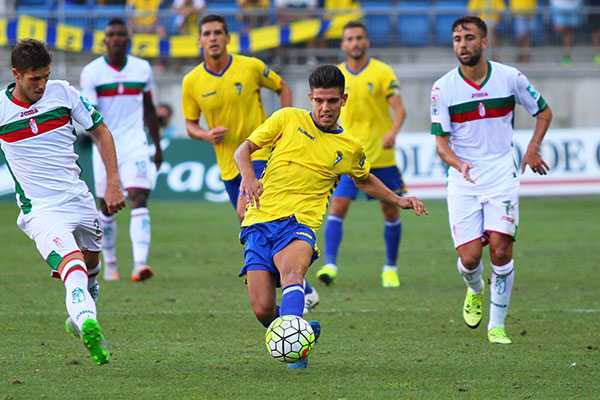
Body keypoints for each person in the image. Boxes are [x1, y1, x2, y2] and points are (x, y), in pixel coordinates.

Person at [234, 65, 428, 368]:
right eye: (319, 100)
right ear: (311, 98)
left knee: (292, 275)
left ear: (344, 100)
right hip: (259, 220)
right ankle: (303, 334)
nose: (325, 108)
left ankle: (295, 350)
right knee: (262, 310)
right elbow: (243, 149)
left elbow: (364, 180)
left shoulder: (349, 147)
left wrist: (398, 199)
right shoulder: (286, 118)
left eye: (332, 101)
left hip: (299, 223)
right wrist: (248, 178)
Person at [0, 39, 126, 364]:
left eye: (45, 76)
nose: (42, 85)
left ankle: (77, 317)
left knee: (91, 268)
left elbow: (102, 132)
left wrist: (113, 183)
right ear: (16, 74)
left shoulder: (63, 92)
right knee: (73, 268)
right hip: (41, 210)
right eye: (34, 79)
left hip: (79, 199)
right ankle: (88, 322)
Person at [182, 14, 319, 313]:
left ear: (228, 37)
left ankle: (292, 283)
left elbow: (282, 87)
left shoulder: (251, 67)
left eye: (219, 32)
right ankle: (299, 285)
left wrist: (285, 127)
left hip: (260, 157)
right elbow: (190, 124)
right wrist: (206, 134)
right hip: (228, 165)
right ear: (200, 40)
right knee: (253, 224)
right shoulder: (192, 81)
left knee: (250, 210)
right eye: (207, 33)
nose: (213, 37)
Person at [430, 16, 552, 344]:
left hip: (502, 175)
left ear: (484, 43)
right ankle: (473, 289)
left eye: (469, 38)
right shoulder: (443, 88)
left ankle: (496, 326)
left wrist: (533, 147)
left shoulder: (510, 78)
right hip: (463, 180)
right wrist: (459, 163)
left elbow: (543, 110)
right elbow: (441, 144)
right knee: (470, 259)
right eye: (457, 39)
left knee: (500, 250)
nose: (462, 44)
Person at [315, 21, 407, 288]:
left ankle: (390, 268)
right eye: (349, 39)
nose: (354, 42)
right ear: (343, 44)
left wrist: (393, 131)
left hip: (381, 155)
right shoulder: (336, 77)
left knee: (390, 210)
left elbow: (399, 109)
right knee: (338, 206)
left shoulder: (382, 72)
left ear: (366, 42)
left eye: (359, 38)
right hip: (347, 157)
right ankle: (330, 264)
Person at [80, 17, 163, 282]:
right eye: (111, 34)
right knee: (106, 206)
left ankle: (140, 264)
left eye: (120, 34)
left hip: (136, 143)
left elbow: (149, 109)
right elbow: (90, 117)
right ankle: (111, 262)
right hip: (104, 144)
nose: (115, 38)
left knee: (139, 197)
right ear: (105, 41)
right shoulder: (92, 72)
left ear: (128, 40)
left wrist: (157, 145)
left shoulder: (142, 69)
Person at [549, 0, 583, 65]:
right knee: (559, 29)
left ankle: (566, 55)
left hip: (574, 5)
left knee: (570, 31)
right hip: (558, 5)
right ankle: (562, 52)